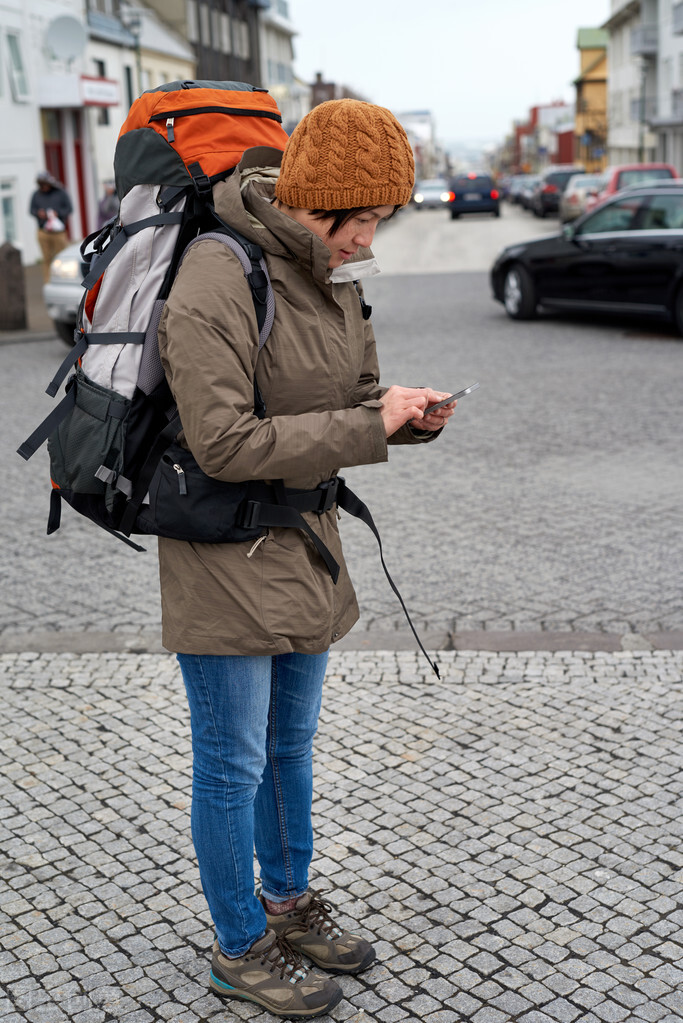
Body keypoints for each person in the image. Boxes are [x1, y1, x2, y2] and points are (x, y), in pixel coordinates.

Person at [156, 98, 456, 1018]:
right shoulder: (216, 273)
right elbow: (222, 443)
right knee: (231, 760)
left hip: (306, 544)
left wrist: (403, 419)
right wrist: (369, 422)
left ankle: (286, 903)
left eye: (379, 220)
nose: (368, 239)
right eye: (361, 220)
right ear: (314, 203)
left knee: (288, 747)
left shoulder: (336, 275)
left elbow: (355, 397)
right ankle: (239, 945)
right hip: (222, 551)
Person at [29, 171, 72, 282]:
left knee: (62, 258)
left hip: (58, 232)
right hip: (43, 231)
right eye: (41, 185)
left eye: (45, 184)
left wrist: (58, 213)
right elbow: (31, 210)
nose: (44, 187)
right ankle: (48, 282)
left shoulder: (61, 193)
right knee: (47, 259)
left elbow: (69, 209)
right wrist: (39, 213)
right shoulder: (36, 194)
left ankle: (63, 281)